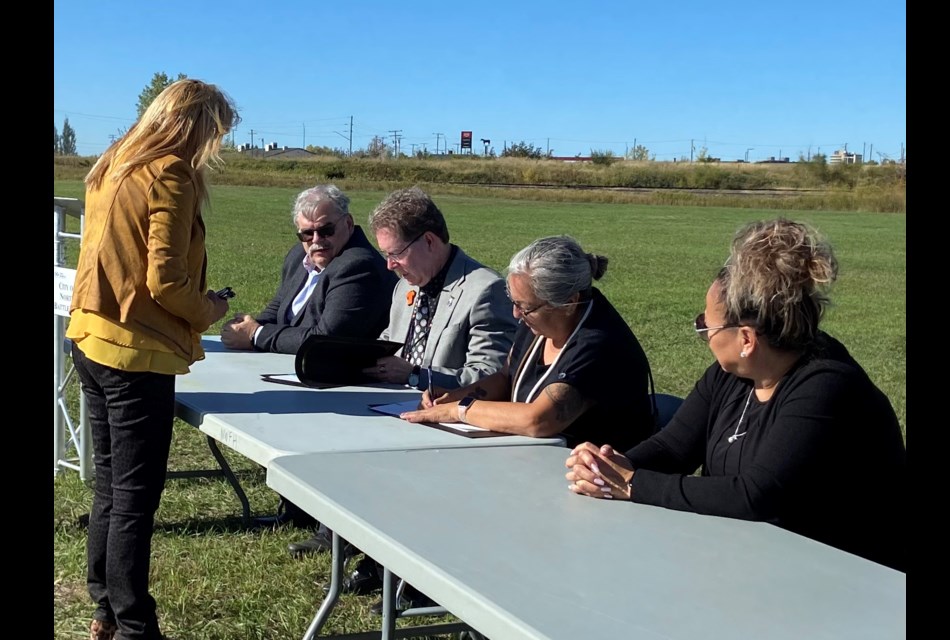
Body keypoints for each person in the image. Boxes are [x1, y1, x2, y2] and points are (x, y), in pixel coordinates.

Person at [564, 218, 906, 573]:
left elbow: (755, 495)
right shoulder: (732, 374)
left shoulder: (827, 386)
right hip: (760, 561)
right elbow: (673, 448)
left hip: (852, 577)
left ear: (746, 339)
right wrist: (609, 467)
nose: (703, 333)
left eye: (706, 326)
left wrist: (633, 484)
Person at [382, 235, 657, 613]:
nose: (515, 315)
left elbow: (538, 419)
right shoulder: (537, 320)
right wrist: (461, 392)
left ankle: (457, 585)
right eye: (514, 302)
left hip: (592, 491)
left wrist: (459, 410)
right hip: (536, 468)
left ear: (569, 301)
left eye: (524, 307)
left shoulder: (600, 344)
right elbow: (508, 378)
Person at [66, 79, 239, 640]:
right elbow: (165, 280)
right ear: (196, 126)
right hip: (134, 351)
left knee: (111, 487)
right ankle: (137, 625)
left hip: (90, 336)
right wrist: (208, 309)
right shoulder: (170, 171)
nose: (212, 146)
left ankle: (106, 611)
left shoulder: (113, 163)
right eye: (214, 133)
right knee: (135, 499)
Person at [286, 186, 517, 603]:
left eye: (396, 254)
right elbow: (392, 342)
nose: (389, 265)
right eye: (386, 255)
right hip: (395, 414)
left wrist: (417, 376)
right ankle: (368, 556)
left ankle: (411, 574)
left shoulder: (485, 290)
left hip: (452, 430)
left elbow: (490, 375)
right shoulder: (405, 285)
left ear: (429, 241)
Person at [219, 184, 395, 354]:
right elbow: (279, 307)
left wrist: (255, 334)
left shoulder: (359, 267)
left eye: (326, 230)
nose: (316, 240)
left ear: (348, 224)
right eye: (307, 233)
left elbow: (326, 340)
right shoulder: (299, 255)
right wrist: (245, 326)